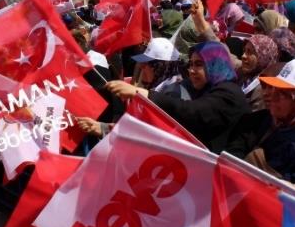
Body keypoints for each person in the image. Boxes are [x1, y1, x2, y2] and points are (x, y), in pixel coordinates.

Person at [106, 42, 250, 153]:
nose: (192, 70)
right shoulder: (202, 88)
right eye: (191, 64)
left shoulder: (229, 93)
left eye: (199, 64)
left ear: (215, 64)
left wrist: (143, 94)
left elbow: (192, 111)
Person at [238, 35, 279, 110]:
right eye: (244, 51)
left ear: (264, 56)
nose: (243, 56)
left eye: (249, 52)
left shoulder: (265, 88)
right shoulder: (241, 75)